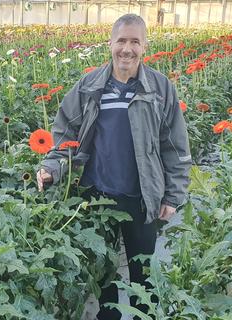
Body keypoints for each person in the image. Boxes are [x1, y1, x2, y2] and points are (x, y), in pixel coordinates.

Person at [37, 14, 192, 320]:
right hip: (98, 197)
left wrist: (172, 196)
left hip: (142, 197)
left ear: (144, 45)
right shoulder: (90, 85)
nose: (127, 49)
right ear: (110, 43)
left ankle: (141, 316)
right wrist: (51, 167)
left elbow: (174, 146)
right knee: (103, 272)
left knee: (143, 273)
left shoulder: (160, 89)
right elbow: (66, 132)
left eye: (135, 41)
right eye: (121, 40)